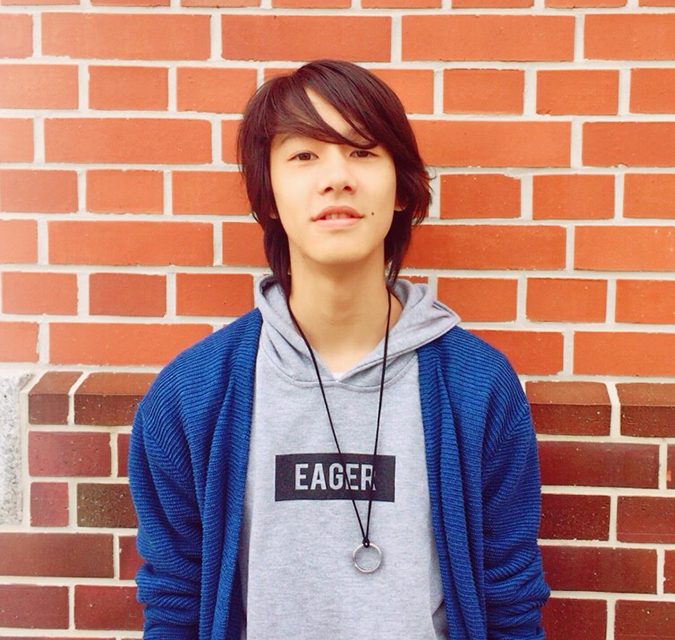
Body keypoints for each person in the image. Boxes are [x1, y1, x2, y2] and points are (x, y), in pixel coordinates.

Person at [128, 59, 550, 640]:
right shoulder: (191, 394)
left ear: (400, 190)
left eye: (362, 151)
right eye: (305, 155)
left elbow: (509, 595)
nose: (336, 178)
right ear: (268, 196)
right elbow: (176, 599)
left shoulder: (476, 385)